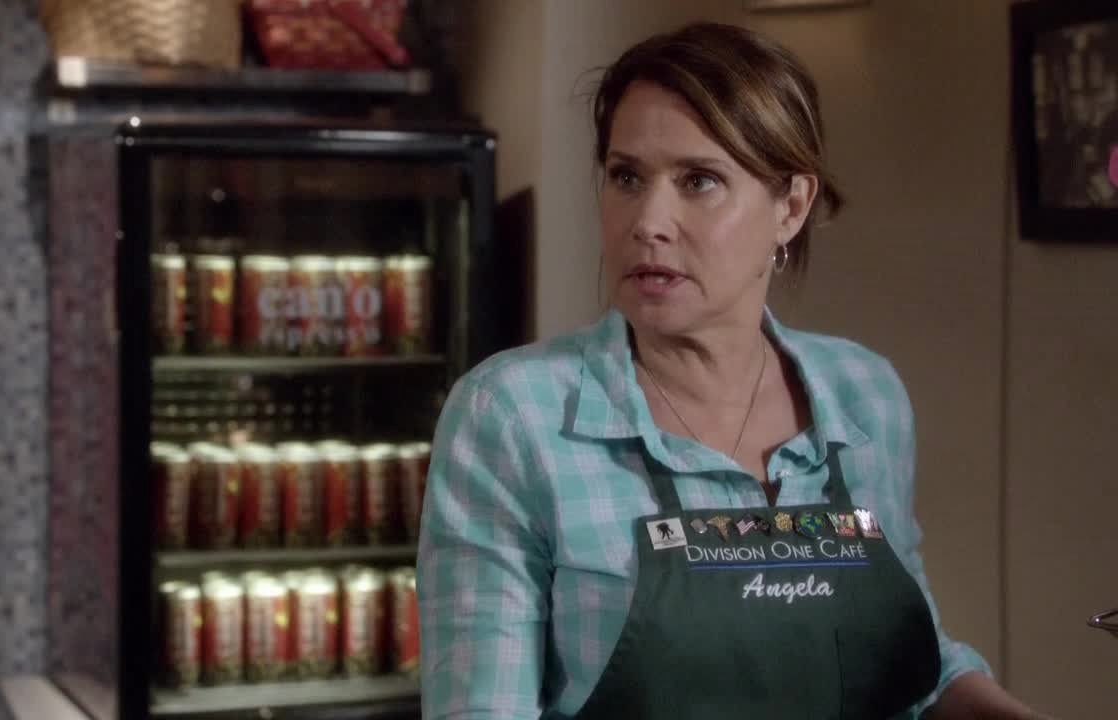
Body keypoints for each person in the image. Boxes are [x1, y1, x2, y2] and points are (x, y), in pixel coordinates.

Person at [417, 22, 1044, 720]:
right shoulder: (513, 417)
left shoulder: (864, 395)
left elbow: (909, 661)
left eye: (699, 181)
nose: (648, 221)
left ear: (791, 207)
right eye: (627, 177)